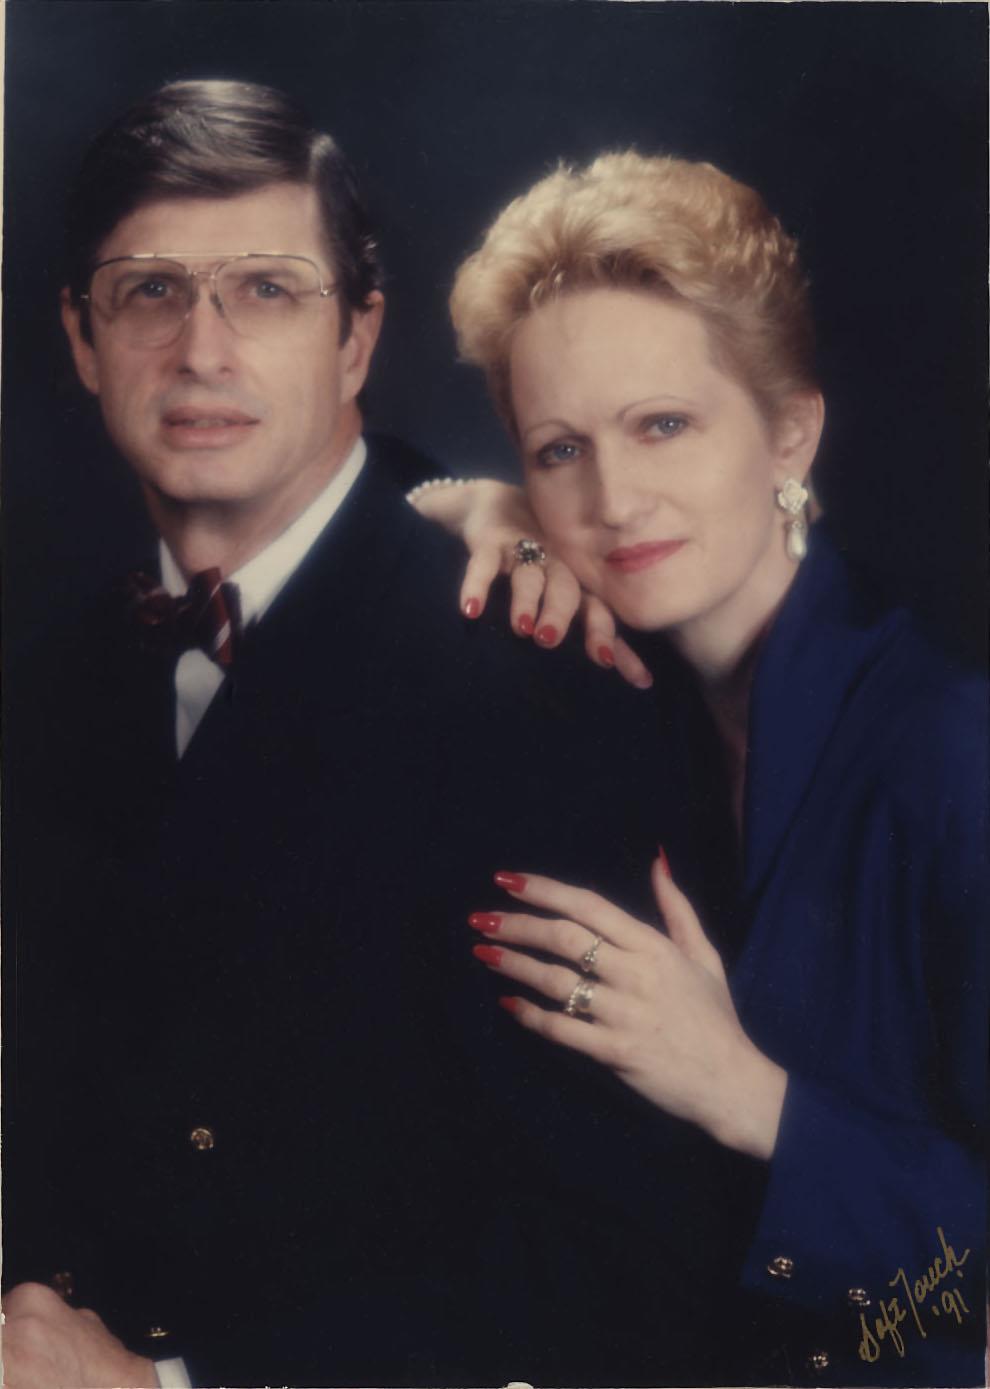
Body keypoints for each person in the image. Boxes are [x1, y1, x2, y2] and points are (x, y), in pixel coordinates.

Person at [2, 86, 754, 1389]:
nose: (200, 349)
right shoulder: (59, 678)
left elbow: (642, 1263)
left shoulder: (544, 677)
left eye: (267, 291)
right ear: (80, 336)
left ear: (357, 338)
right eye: (147, 294)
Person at [412, 151, 988, 1386]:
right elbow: (373, 503)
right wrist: (473, 503)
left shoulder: (954, 748)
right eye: (560, 450)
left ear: (791, 431)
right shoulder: (624, 702)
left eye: (663, 424)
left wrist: (743, 1093)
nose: (614, 499)